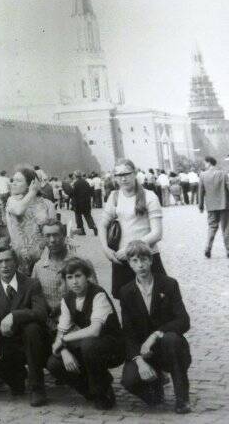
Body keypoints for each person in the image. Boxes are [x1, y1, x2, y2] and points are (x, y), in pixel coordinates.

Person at [119, 241, 191, 414]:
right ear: (129, 264)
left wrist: (156, 335)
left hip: (168, 348)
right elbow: (127, 332)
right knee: (129, 381)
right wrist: (139, 361)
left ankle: (182, 399)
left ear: (151, 260)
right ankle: (156, 387)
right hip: (143, 351)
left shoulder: (169, 284)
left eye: (144, 259)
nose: (140, 265)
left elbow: (183, 320)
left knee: (171, 338)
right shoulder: (126, 292)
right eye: (135, 261)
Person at [46, 257, 123, 410]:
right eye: (70, 277)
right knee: (54, 363)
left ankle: (101, 391)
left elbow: (94, 330)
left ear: (87, 276)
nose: (74, 282)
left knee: (89, 344)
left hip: (113, 346)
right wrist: (64, 349)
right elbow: (61, 332)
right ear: (66, 280)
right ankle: (91, 390)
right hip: (89, 346)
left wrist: (64, 340)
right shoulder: (67, 299)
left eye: (78, 276)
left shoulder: (98, 294)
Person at [0, 245, 50, 407]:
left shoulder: (31, 284)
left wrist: (14, 315)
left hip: (34, 343)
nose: (4, 265)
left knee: (32, 328)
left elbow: (41, 313)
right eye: (0, 261)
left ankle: (37, 387)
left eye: (8, 260)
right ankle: (16, 380)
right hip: (9, 342)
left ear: (16, 262)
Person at [99, 158, 165, 298]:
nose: (123, 178)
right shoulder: (114, 196)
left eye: (127, 174)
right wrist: (106, 249)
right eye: (119, 175)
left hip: (146, 257)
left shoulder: (149, 196)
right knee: (127, 303)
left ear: (134, 173)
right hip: (122, 260)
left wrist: (129, 250)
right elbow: (103, 225)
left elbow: (157, 233)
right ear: (115, 177)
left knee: (155, 301)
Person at [5, 167, 56, 275]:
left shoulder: (47, 204)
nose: (13, 183)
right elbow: (19, 211)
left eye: (18, 181)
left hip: (43, 258)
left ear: (31, 183)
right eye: (13, 180)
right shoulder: (12, 201)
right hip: (19, 259)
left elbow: (53, 230)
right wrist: (32, 192)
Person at [31, 219, 76, 331]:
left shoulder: (78, 263)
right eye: (48, 236)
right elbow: (33, 299)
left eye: (56, 235)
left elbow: (93, 295)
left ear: (64, 235)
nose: (52, 240)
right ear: (43, 238)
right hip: (47, 324)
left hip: (75, 322)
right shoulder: (39, 267)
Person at [198, 156, 229, 258]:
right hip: (224, 205)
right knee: (226, 228)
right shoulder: (223, 173)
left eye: (205, 163)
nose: (204, 165)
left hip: (211, 206)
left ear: (209, 163)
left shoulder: (202, 175)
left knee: (212, 227)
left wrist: (201, 205)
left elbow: (201, 192)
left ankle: (208, 248)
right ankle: (228, 250)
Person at [71, 171, 97, 236]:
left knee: (78, 217)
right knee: (88, 216)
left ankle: (81, 231)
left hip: (78, 204)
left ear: (75, 176)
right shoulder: (86, 182)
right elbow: (90, 192)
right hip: (86, 203)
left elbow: (74, 194)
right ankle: (93, 227)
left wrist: (73, 203)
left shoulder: (75, 183)